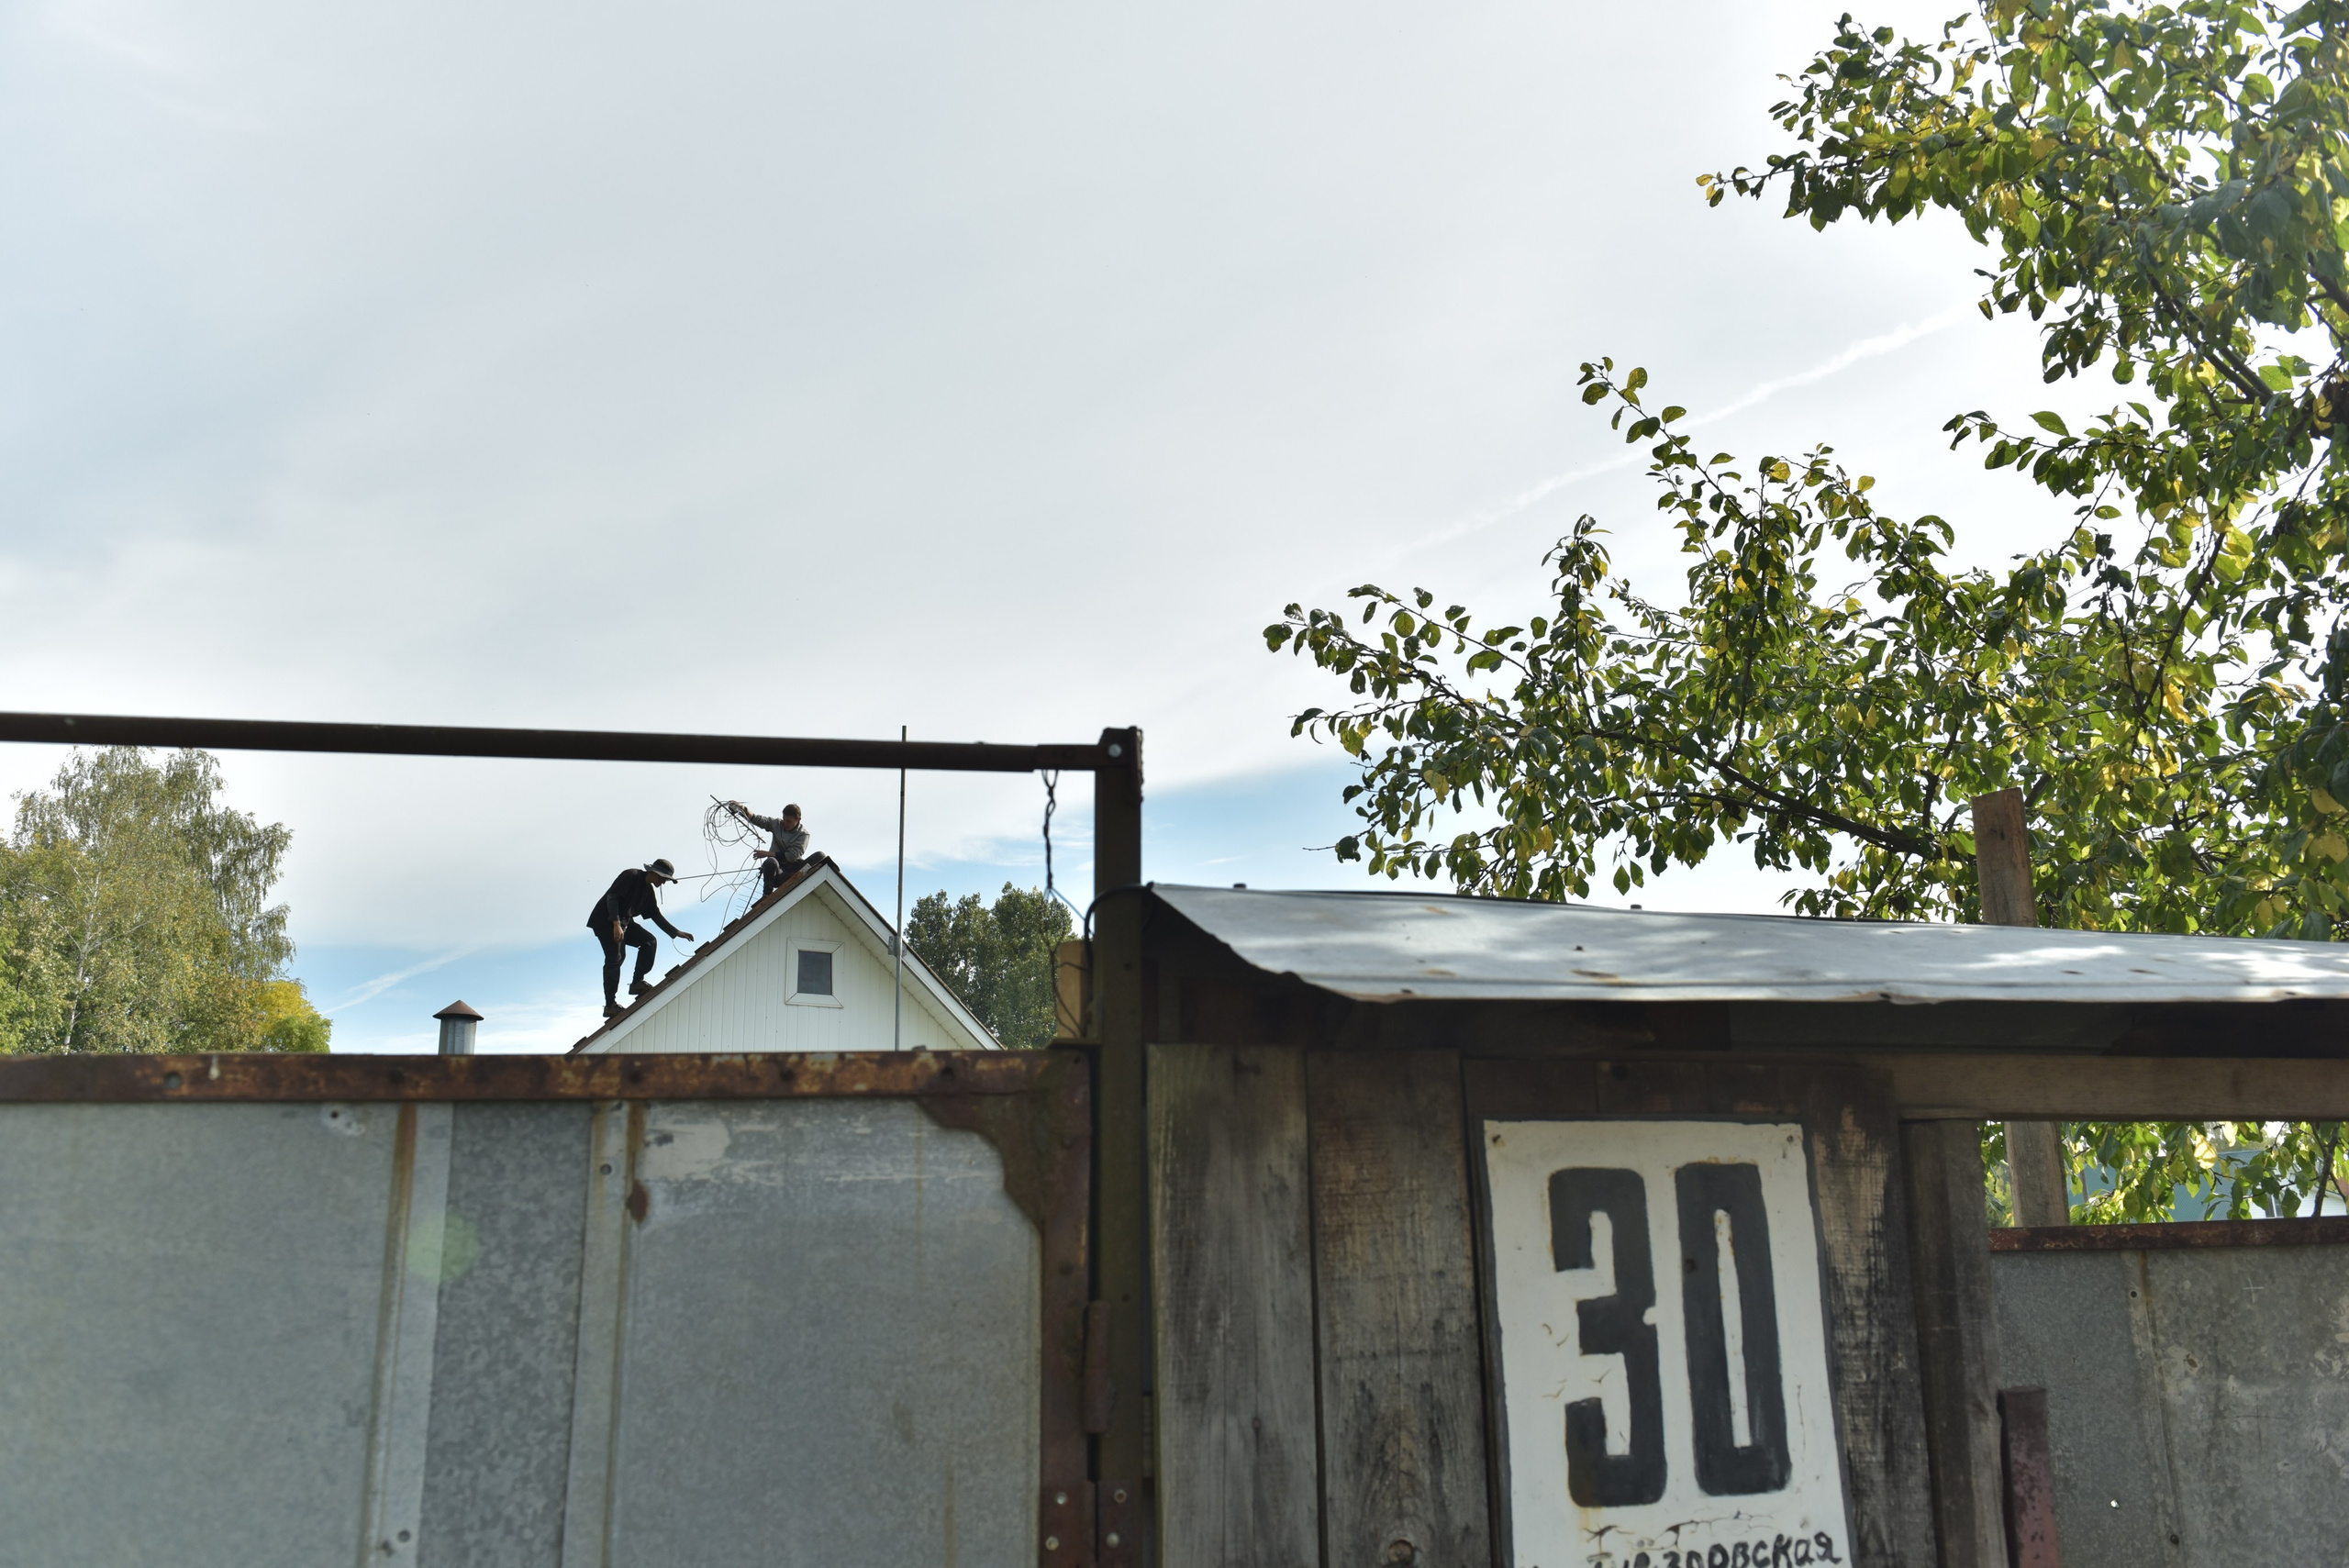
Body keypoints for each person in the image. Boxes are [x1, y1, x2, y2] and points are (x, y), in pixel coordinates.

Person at [588, 859, 695, 1018]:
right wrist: (616, 924)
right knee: (616, 957)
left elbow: (655, 915)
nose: (664, 883)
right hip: (605, 921)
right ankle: (610, 1005)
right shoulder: (631, 875)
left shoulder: (648, 892)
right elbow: (613, 897)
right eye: (664, 879)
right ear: (655, 873)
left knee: (649, 941)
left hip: (624, 922)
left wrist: (676, 932)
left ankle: (637, 983)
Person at [725, 800, 809, 896]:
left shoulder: (803, 834)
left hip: (793, 871)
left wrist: (767, 853)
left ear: (798, 819)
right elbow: (759, 820)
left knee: (820, 856)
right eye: (784, 820)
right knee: (770, 862)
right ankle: (767, 895)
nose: (785, 824)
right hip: (778, 874)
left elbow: (791, 857)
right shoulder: (778, 824)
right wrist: (743, 809)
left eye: (789, 821)